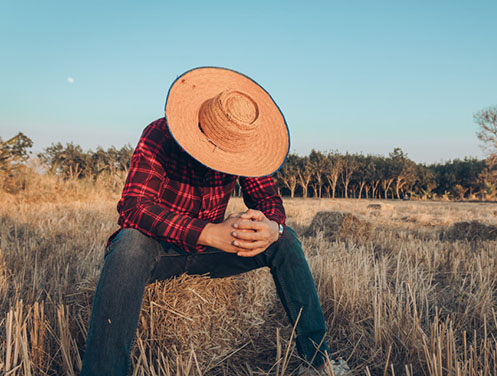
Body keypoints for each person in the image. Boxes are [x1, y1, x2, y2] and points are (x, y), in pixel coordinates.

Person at [80, 67, 349, 375]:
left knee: (286, 239)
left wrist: (272, 227)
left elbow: (269, 201)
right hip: (158, 252)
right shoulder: (159, 134)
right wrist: (209, 233)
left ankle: (319, 360)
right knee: (129, 242)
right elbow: (134, 207)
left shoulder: (245, 149)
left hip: (206, 255)